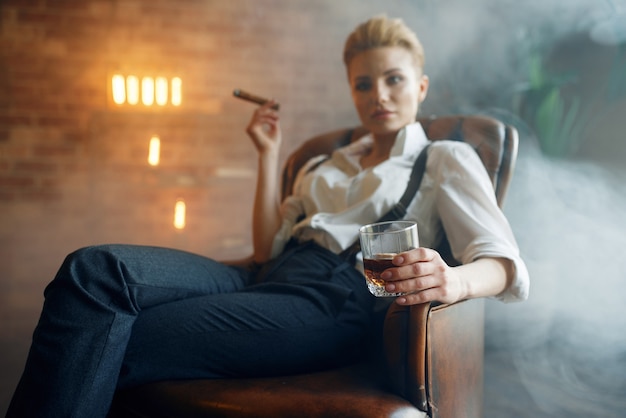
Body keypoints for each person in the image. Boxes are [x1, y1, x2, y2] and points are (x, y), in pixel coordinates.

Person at [6, 15, 529, 418]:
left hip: (329, 300)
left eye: (394, 80)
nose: (379, 95)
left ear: (421, 86)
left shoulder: (444, 158)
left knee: (116, 333)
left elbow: (505, 265)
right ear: (352, 90)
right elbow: (264, 250)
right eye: (363, 84)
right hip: (260, 276)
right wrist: (267, 154)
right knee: (92, 270)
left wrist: (453, 279)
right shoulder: (328, 162)